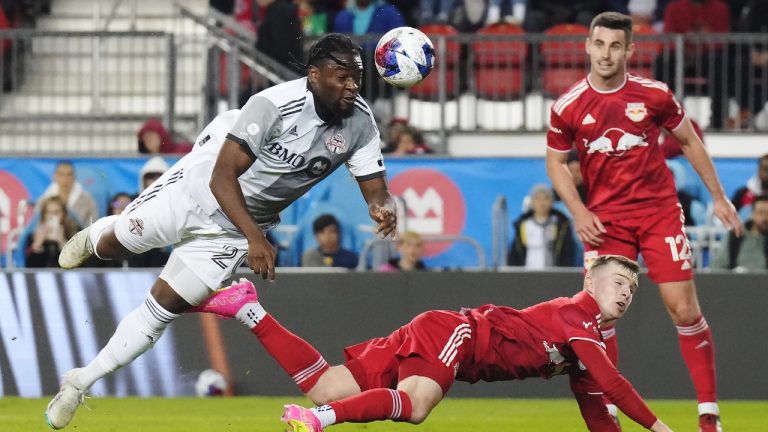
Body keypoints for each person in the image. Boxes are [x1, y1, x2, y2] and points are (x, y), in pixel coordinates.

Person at [44, 33, 398, 430]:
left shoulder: (361, 124)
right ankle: (98, 233)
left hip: (232, 233)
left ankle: (79, 382)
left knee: (162, 309)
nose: (352, 86)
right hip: (197, 191)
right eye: (343, 76)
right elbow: (222, 176)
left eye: (358, 77)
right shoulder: (274, 105)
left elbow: (377, 190)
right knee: (115, 245)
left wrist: (383, 208)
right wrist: (255, 238)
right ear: (314, 75)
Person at [189, 255, 673, 432]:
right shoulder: (577, 318)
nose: (625, 294)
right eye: (617, 283)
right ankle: (319, 423)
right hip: (456, 333)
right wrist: (661, 428)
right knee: (417, 407)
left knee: (325, 385)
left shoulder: (597, 342)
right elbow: (613, 383)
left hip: (443, 336)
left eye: (631, 289)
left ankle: (248, 308)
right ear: (590, 280)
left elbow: (596, 410)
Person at [545, 12, 743, 431]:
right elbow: (557, 163)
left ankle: (709, 414)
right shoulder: (568, 106)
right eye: (599, 44)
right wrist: (578, 211)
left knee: (683, 309)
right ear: (587, 46)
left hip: (658, 213)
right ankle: (608, 412)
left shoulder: (654, 95)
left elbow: (689, 140)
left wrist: (719, 197)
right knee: (601, 316)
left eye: (616, 46)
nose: (606, 53)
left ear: (630, 50)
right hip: (605, 221)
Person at [508, 184, 576, 268]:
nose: (542, 203)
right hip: (527, 274)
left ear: (551, 201)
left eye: (546, 198)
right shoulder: (523, 224)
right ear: (532, 202)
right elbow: (516, 252)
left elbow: (567, 252)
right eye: (538, 199)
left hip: (554, 275)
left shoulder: (561, 225)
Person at [711, 195, 768, 271]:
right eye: (761, 213)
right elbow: (717, 265)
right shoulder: (736, 236)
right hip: (736, 280)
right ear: (752, 214)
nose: (765, 218)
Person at [37, 161, 99, 228]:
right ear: (55, 177)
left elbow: (94, 226)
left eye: (68, 175)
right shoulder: (44, 201)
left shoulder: (87, 200)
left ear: (74, 177)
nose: (65, 179)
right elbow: (36, 226)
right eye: (61, 174)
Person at [25, 196, 80, 268]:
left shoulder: (75, 235)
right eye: (48, 212)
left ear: (64, 214)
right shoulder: (33, 237)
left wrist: (62, 243)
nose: (51, 216)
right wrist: (37, 245)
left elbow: (78, 266)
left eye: (56, 212)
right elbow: (30, 270)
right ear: (43, 216)